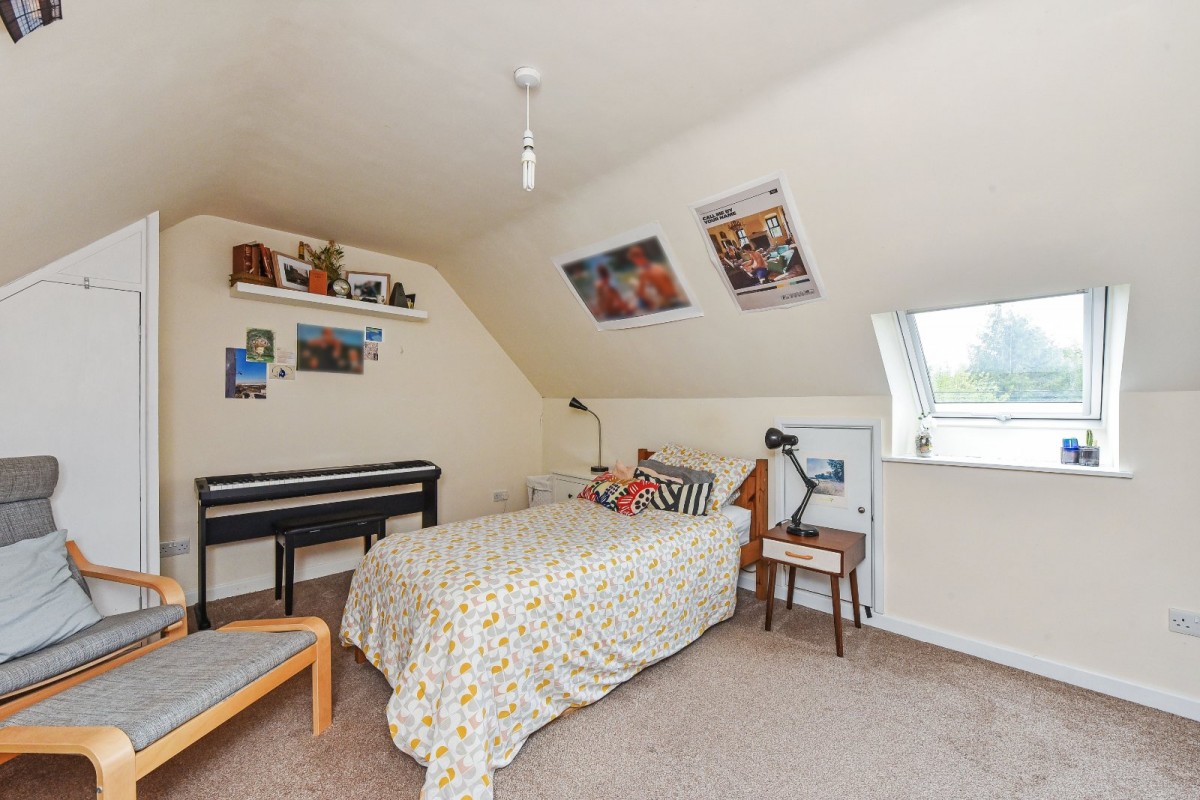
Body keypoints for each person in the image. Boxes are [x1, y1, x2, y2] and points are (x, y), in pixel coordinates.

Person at [628, 244, 680, 310]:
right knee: (638, 285)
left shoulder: (643, 272)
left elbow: (640, 293)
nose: (634, 263)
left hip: (666, 302)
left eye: (633, 260)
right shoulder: (657, 266)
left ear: (636, 259)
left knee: (634, 284)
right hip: (673, 297)